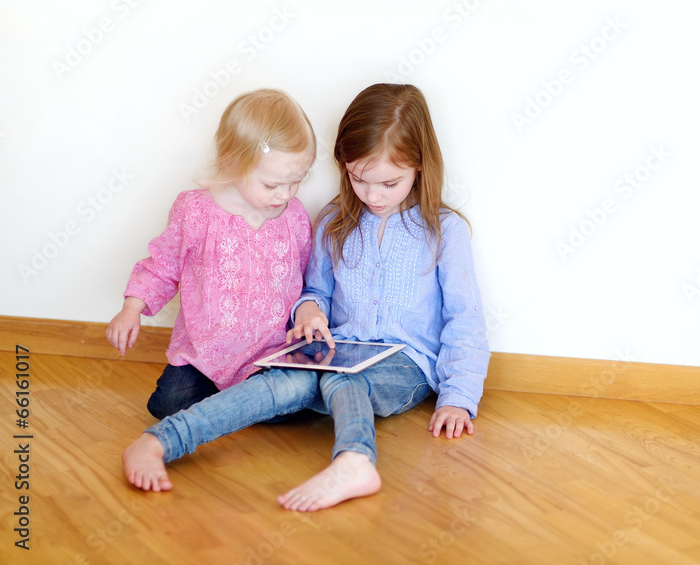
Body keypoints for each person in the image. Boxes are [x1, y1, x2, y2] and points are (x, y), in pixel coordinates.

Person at [122, 83, 490, 511]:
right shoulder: (334, 221)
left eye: (389, 183)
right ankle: (159, 441)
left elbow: (464, 319)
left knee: (341, 378)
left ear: (421, 166)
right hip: (336, 349)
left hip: (404, 361)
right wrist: (311, 311)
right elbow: (312, 291)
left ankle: (354, 460)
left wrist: (459, 397)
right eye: (358, 179)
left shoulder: (446, 231)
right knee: (283, 380)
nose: (372, 196)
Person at [106, 89, 316, 419]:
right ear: (233, 163)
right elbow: (163, 265)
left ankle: (242, 405)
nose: (285, 194)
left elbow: (307, 277)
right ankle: (246, 406)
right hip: (204, 353)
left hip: (270, 351)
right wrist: (132, 308)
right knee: (169, 404)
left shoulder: (295, 216)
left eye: (295, 182)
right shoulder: (195, 211)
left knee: (303, 395)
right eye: (272, 185)